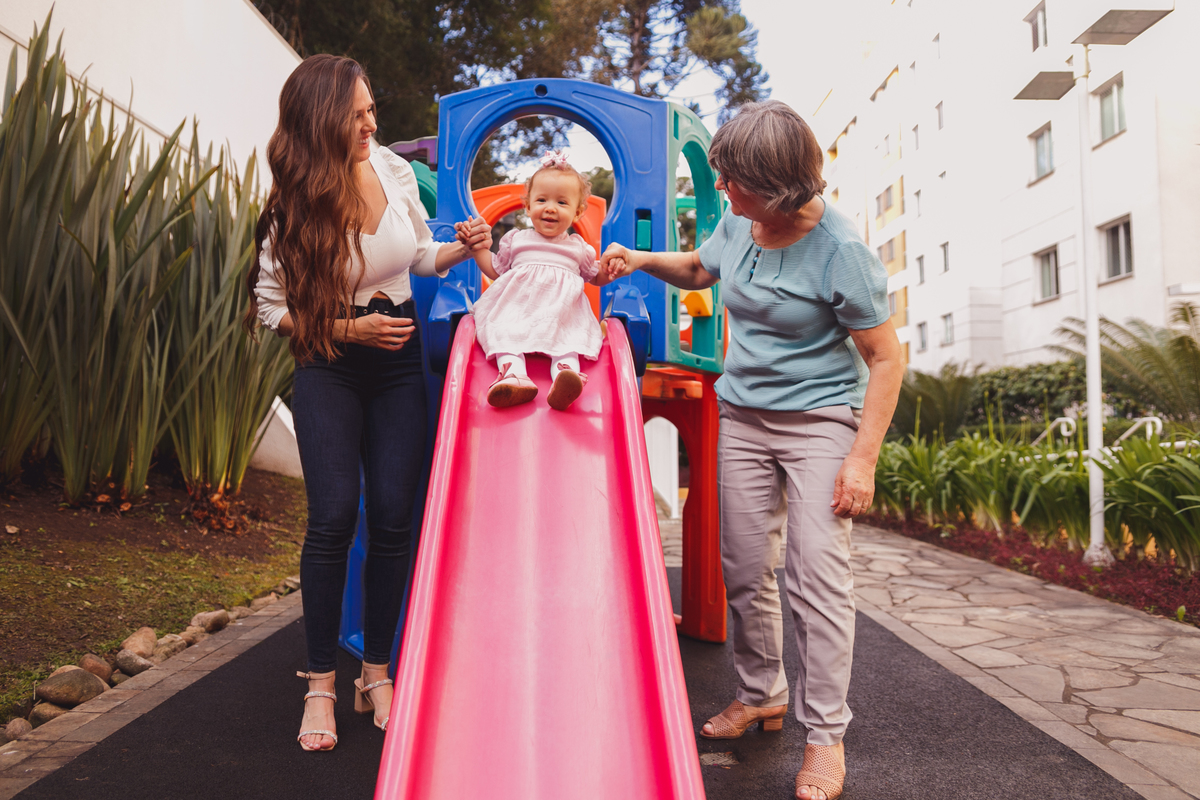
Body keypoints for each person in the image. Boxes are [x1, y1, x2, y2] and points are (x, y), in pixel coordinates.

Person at [600, 100, 903, 800]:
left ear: (778, 185)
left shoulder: (842, 252)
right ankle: (761, 692)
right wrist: (640, 258)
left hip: (821, 420)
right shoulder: (740, 221)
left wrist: (862, 459)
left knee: (817, 577)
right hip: (743, 415)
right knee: (742, 565)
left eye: (733, 181)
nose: (723, 192)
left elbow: (886, 358)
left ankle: (825, 738)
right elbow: (702, 271)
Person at [244, 54, 491, 752]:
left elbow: (417, 255)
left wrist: (459, 250)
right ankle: (321, 681)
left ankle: (375, 671)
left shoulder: (391, 169)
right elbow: (270, 309)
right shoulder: (293, 204)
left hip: (397, 365)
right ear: (323, 120)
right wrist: (349, 328)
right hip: (329, 364)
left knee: (391, 517)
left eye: (372, 108)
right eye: (358, 115)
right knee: (330, 520)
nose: (372, 123)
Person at [461, 150, 603, 411]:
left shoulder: (579, 248)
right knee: (502, 332)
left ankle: (565, 379)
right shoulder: (516, 240)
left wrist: (612, 269)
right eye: (541, 200)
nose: (550, 208)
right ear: (527, 206)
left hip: (559, 315)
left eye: (562, 203)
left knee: (568, 343)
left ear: (578, 212)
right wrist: (476, 248)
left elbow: (596, 276)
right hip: (517, 310)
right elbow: (495, 269)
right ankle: (514, 376)